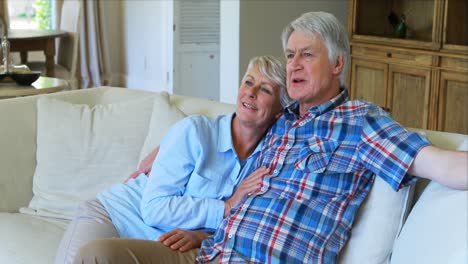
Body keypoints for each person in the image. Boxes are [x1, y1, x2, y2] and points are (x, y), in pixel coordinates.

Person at [73, 11, 468, 264]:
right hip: (209, 253)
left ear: (337, 64)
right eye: (290, 54)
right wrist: (165, 148)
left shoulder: (361, 123)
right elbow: (223, 126)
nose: (293, 64)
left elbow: (442, 163)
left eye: (306, 55)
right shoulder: (279, 120)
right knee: (96, 255)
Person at [54, 55, 290, 264]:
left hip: (163, 242)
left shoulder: (269, 158)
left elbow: (252, 224)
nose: (251, 92)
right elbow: (154, 208)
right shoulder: (195, 132)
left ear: (280, 111)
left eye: (265, 90)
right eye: (248, 82)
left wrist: (202, 236)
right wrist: (226, 207)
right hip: (115, 215)